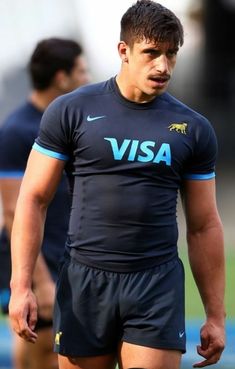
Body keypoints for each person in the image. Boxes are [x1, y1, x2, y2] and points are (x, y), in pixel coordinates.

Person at [9, 2, 225, 369]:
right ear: (123, 51)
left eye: (171, 54)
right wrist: (22, 285)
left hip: (155, 284)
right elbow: (33, 198)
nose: (163, 66)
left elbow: (204, 225)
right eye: (152, 53)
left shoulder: (193, 128)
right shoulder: (71, 111)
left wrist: (215, 315)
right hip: (85, 280)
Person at [0, 37, 90, 369]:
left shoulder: (73, 122)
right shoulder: (17, 130)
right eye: (81, 71)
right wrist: (39, 281)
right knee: (43, 353)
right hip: (42, 260)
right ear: (61, 78)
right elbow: (12, 211)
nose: (87, 77)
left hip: (70, 254)